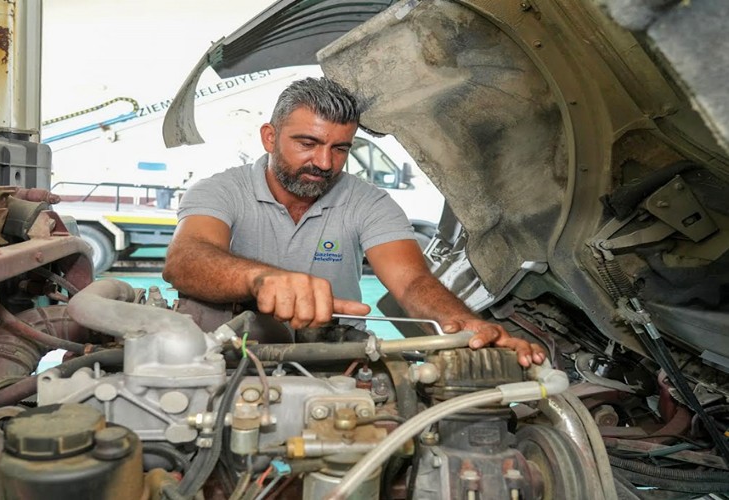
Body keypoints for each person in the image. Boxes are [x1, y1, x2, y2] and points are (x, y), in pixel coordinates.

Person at [163, 77, 545, 367]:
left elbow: (412, 281)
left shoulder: (369, 202)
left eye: (340, 148)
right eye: (307, 144)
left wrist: (463, 323)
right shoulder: (221, 190)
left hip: (335, 355)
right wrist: (261, 279)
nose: (325, 163)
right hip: (233, 352)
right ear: (269, 137)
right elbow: (186, 259)